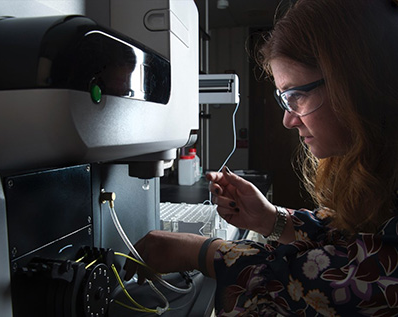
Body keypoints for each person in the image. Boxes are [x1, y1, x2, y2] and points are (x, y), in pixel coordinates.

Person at [123, 0, 398, 315]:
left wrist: (202, 252)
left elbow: (344, 285)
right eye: (285, 99)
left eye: (297, 96)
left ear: (356, 83)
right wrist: (271, 218)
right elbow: (349, 236)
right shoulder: (382, 176)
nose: (289, 119)